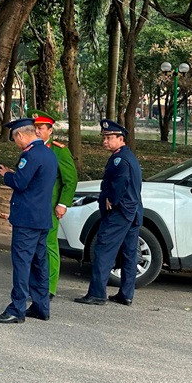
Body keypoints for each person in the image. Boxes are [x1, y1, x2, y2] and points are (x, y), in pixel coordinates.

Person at [0, 117, 59, 324]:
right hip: (42, 218)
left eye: (14, 138)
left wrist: (6, 175)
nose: (16, 143)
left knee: (22, 264)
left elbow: (20, 183)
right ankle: (41, 306)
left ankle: (17, 308)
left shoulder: (29, 155)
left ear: (21, 135)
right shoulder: (49, 153)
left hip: (26, 219)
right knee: (40, 263)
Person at [75, 120, 143, 306]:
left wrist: (111, 199)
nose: (104, 141)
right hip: (132, 211)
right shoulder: (127, 156)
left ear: (120, 139)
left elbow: (120, 182)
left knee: (103, 250)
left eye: (108, 137)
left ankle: (97, 293)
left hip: (119, 212)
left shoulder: (120, 159)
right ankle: (126, 294)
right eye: (103, 137)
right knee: (129, 253)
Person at [29, 110, 78, 297]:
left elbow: (70, 180)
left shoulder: (58, 150)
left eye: (41, 128)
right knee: (32, 247)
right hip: (32, 205)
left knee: (49, 246)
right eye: (35, 128)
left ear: (50, 130)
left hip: (49, 206)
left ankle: (49, 287)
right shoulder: (31, 148)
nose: (37, 131)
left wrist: (63, 203)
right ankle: (35, 283)